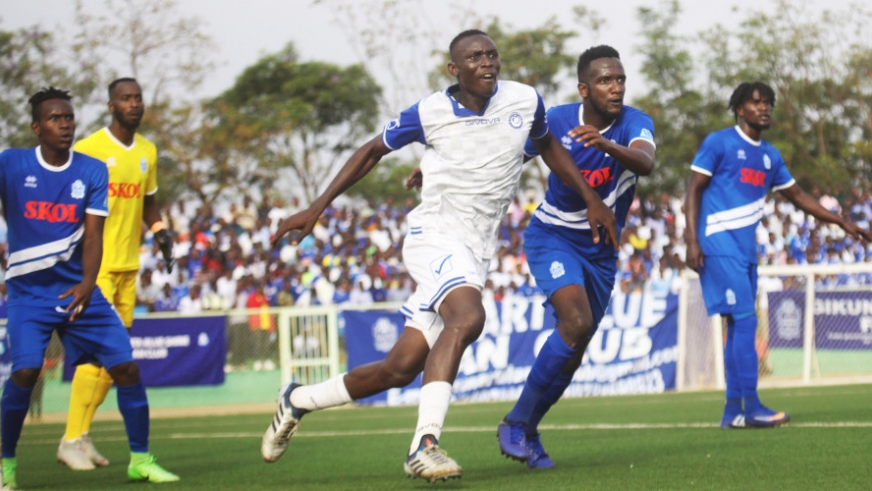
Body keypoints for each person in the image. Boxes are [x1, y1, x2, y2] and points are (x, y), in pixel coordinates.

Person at [259, 30, 618, 483]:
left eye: (492, 55)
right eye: (475, 57)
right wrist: (316, 207)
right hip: (435, 236)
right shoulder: (429, 112)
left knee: (400, 367)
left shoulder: (525, 100)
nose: (487, 63)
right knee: (468, 318)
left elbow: (548, 147)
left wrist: (591, 199)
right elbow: (371, 150)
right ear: (455, 69)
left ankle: (298, 400)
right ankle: (423, 444)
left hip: (476, 250)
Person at [0, 87, 178, 490]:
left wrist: (85, 285)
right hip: (29, 295)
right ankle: (5, 464)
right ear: (36, 127)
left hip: (81, 290)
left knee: (126, 367)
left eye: (68, 117)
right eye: (55, 119)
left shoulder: (92, 169)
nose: (65, 124)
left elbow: (93, 236)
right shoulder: (11, 163)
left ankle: (141, 460)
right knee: (26, 371)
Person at [496, 45, 656, 468]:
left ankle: (529, 429)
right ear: (584, 88)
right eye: (605, 80)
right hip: (553, 236)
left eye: (620, 79)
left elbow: (645, 162)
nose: (615, 87)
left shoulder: (635, 123)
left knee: (576, 344)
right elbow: (511, 154)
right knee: (576, 321)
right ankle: (513, 422)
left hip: (601, 252)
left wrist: (606, 145)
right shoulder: (558, 120)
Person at [684, 81, 872, 428]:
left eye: (768, 102)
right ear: (740, 108)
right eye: (756, 102)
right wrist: (691, 240)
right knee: (744, 320)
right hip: (717, 243)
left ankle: (733, 411)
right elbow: (693, 188)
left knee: (736, 323)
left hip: (746, 250)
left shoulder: (769, 155)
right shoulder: (719, 143)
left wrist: (843, 222)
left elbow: (799, 196)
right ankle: (752, 406)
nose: (764, 107)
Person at [57, 77, 174, 470]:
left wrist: (161, 234)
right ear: (111, 106)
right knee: (101, 357)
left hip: (128, 268)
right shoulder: (89, 148)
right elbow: (66, 200)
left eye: (138, 98)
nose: (134, 104)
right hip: (96, 271)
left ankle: (80, 435)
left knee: (114, 359)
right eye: (126, 98)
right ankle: (71, 438)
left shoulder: (147, 151)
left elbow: (149, 202)